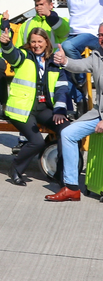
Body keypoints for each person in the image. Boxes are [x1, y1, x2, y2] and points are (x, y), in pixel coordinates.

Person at [0, 26, 69, 186]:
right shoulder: (24, 56)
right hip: (23, 108)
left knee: (66, 130)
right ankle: (15, 170)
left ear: (46, 42)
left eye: (40, 41)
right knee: (37, 141)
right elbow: (12, 56)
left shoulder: (55, 62)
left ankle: (60, 172)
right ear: (29, 44)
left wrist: (59, 110)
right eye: (33, 42)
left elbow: (62, 88)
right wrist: (7, 45)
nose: (36, 45)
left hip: (44, 108)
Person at [46, 26, 103, 202]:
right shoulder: (97, 56)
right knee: (68, 133)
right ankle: (71, 187)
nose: (101, 38)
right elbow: (79, 66)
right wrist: (64, 61)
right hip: (99, 113)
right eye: (100, 35)